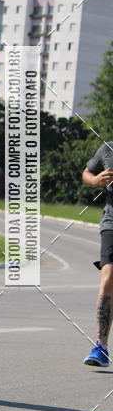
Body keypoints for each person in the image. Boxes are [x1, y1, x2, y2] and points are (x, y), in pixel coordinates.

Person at [81, 143, 113, 366]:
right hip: (112, 223)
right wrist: (95, 181)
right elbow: (87, 172)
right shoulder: (109, 149)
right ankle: (101, 347)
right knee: (108, 278)